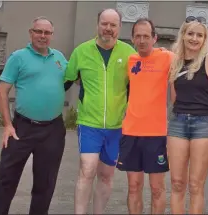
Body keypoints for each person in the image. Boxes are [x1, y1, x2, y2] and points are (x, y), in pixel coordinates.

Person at [0, 17, 67, 215]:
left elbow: (73, 78)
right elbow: (2, 91)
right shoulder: (18, 57)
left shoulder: (59, 58)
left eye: (47, 33)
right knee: (6, 178)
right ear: (31, 33)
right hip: (21, 128)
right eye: (38, 31)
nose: (43, 36)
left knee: (45, 183)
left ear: (52, 35)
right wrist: (7, 125)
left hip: (53, 130)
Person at [64, 8, 136, 214]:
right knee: (87, 170)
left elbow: (137, 88)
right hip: (89, 124)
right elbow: (65, 82)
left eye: (113, 25)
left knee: (106, 175)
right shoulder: (81, 51)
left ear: (119, 27)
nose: (108, 29)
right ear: (98, 25)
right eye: (104, 24)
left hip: (116, 127)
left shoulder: (129, 54)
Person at [167, 15, 208, 214]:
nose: (195, 38)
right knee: (177, 183)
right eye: (191, 33)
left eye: (200, 35)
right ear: (183, 35)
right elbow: (174, 98)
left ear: (205, 39)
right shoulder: (174, 63)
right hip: (178, 123)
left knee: (195, 184)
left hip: (205, 124)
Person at [115, 18, 173, 214]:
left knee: (157, 189)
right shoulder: (130, 61)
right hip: (131, 132)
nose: (142, 40)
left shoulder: (168, 58)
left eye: (146, 36)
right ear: (132, 39)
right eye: (138, 36)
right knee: (133, 187)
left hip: (156, 134)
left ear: (154, 38)